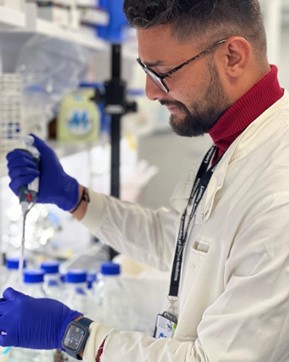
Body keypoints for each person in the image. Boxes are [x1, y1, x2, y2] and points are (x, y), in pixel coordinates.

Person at [1, 0, 289, 360]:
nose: (151, 92)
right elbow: (178, 245)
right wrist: (76, 199)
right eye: (145, 70)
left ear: (232, 56)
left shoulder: (278, 194)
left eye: (162, 72)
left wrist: (75, 334)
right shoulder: (233, 142)